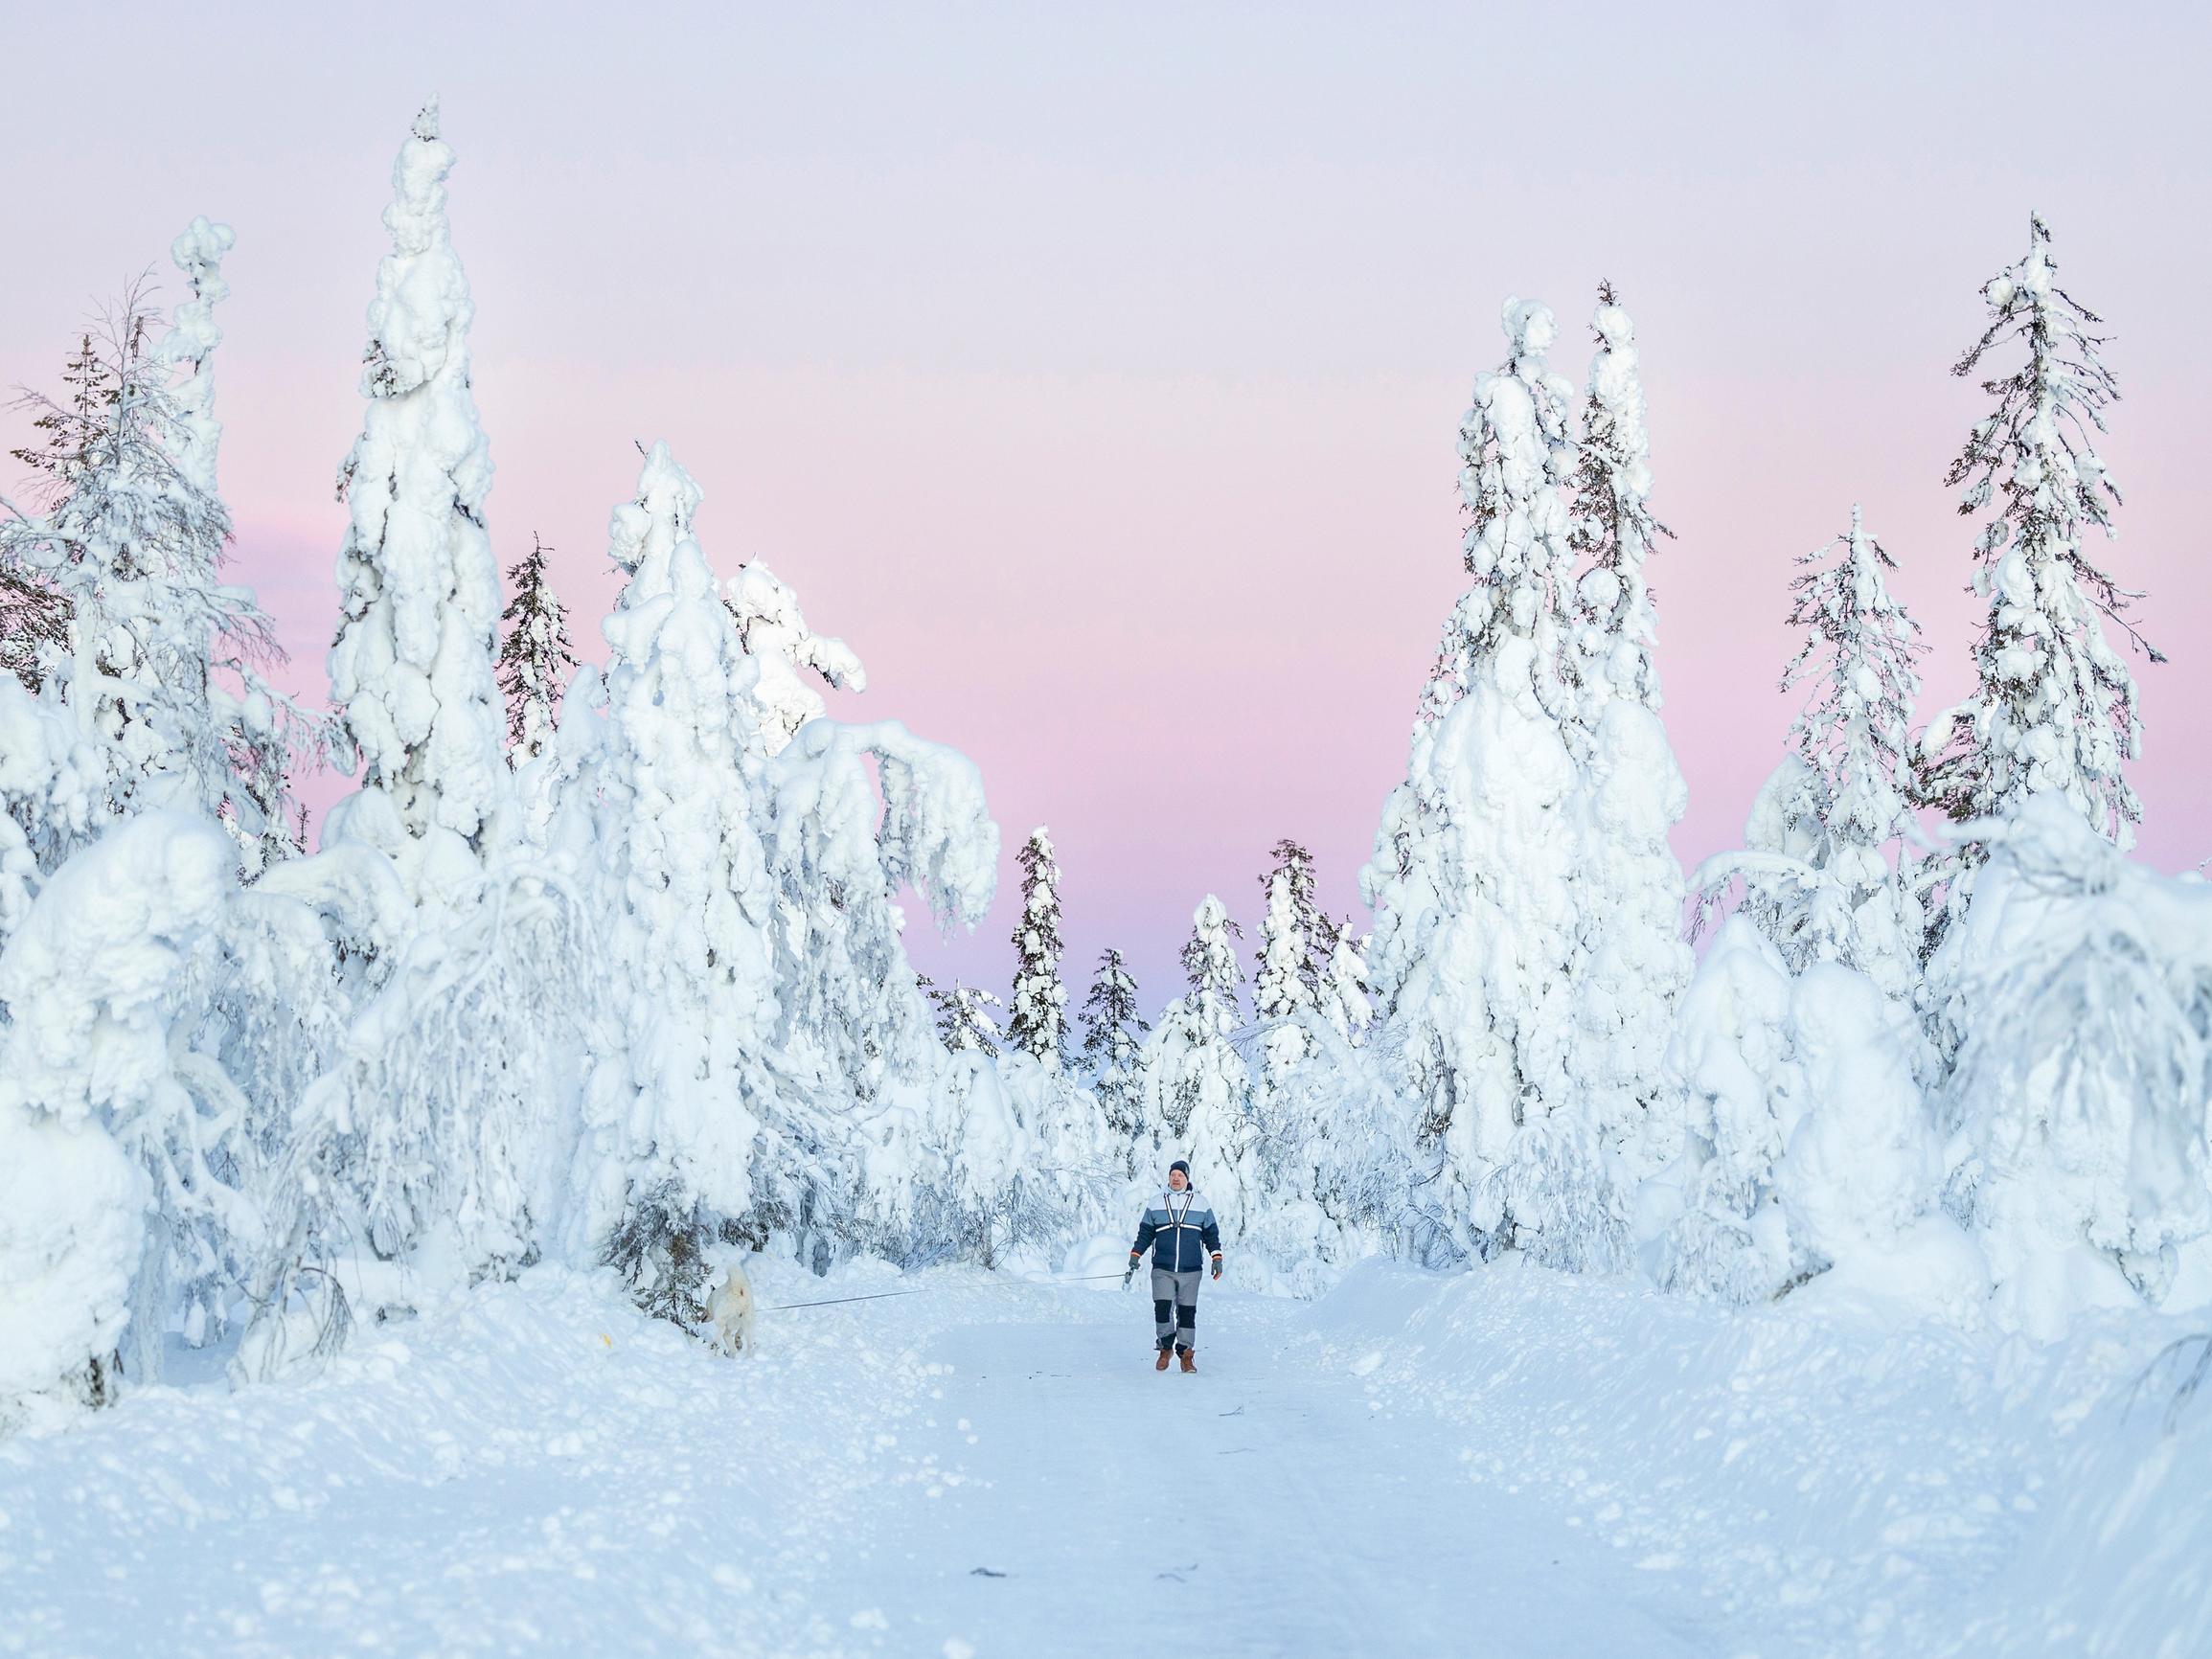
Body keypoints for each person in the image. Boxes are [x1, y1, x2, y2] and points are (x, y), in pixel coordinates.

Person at [1123, 1159, 1222, 1373]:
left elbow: (1211, 1233)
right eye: (1173, 1175)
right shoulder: (1156, 1202)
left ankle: (1186, 1354)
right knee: (1162, 1309)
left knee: (1187, 1313)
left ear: (1187, 1178)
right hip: (1162, 1268)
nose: (1176, 1179)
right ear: (1169, 1177)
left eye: (1180, 1175)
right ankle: (1165, 1347)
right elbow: (1145, 1232)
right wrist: (1135, 1254)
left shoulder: (1201, 1203)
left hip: (1191, 1269)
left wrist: (1216, 1257)